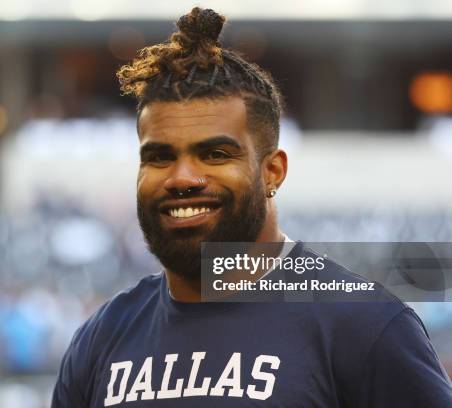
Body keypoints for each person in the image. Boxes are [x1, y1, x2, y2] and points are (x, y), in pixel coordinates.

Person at [52, 7, 452, 407]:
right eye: (159, 157)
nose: (182, 178)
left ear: (273, 172)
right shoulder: (102, 338)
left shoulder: (362, 326)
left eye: (215, 154)